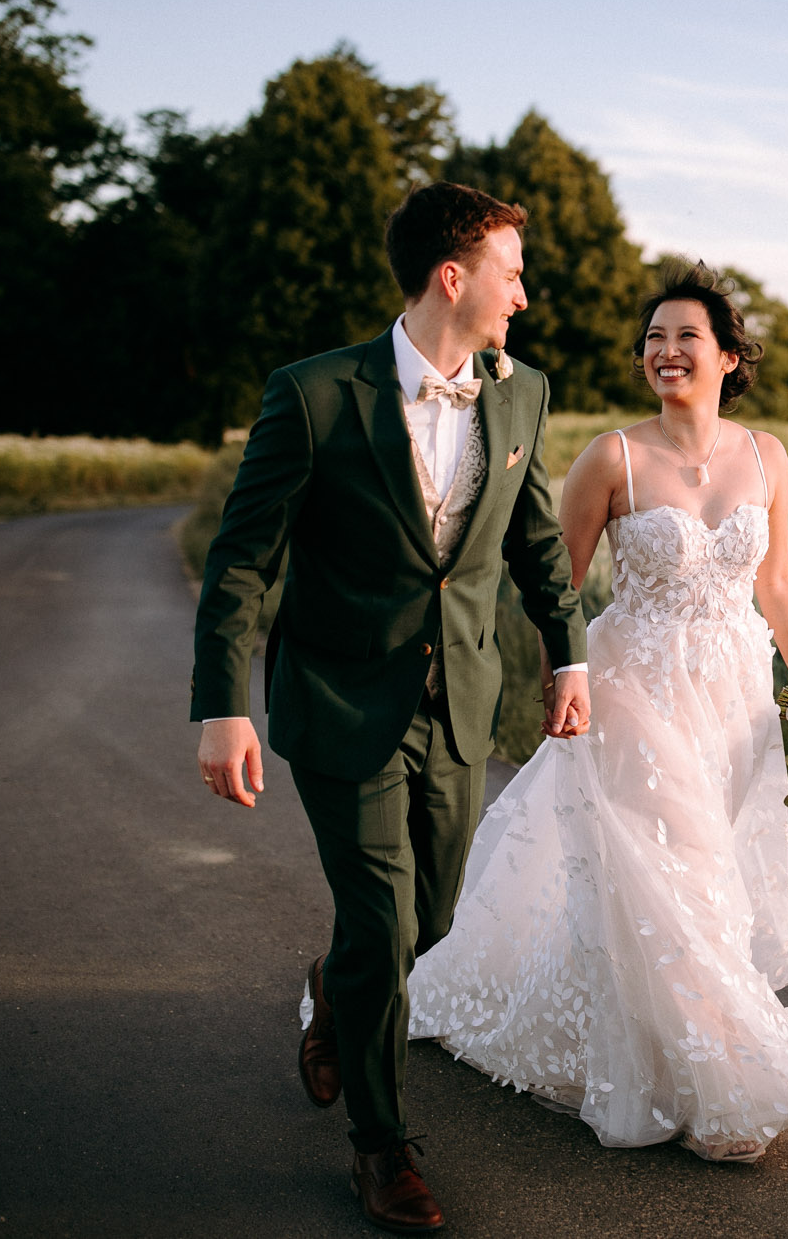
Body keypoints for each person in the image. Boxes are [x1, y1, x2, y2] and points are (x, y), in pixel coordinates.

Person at [190, 181, 590, 1234]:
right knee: (381, 911)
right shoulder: (314, 393)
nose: (524, 294)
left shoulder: (520, 393)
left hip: (456, 702)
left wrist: (569, 658)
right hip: (335, 699)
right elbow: (241, 559)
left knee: (431, 921)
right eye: (510, 271)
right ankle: (382, 1145)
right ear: (451, 277)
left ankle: (334, 984)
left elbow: (534, 542)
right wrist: (220, 704)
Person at [404, 261, 788, 1162]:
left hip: (731, 697)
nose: (667, 351)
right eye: (654, 339)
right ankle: (719, 1083)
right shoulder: (614, 455)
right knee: (670, 879)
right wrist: (554, 681)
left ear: (728, 356)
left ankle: (656, 1050)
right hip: (632, 690)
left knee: (707, 879)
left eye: (687, 336)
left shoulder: (768, 455)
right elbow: (550, 582)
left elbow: (778, 581)